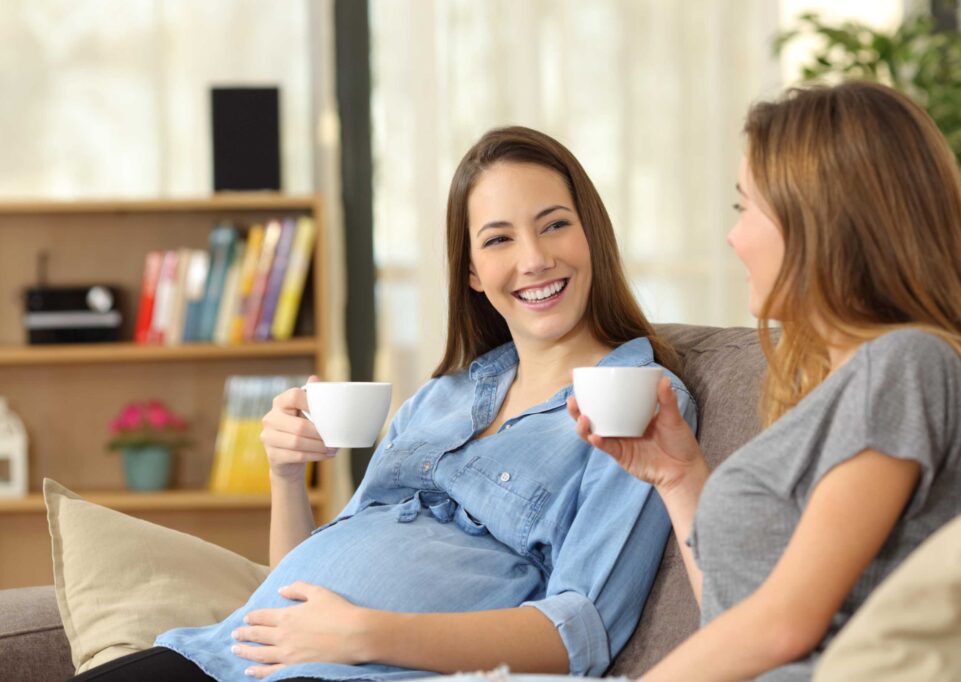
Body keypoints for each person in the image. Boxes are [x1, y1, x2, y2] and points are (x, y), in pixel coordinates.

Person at [69, 126, 696, 682]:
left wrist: (364, 634)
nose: (534, 259)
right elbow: (299, 580)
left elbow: (581, 630)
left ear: (593, 233)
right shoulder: (443, 398)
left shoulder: (637, 402)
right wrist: (288, 477)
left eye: (555, 223)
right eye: (499, 239)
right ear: (473, 272)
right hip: (228, 652)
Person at [567, 81, 961, 681]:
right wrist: (678, 476)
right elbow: (744, 617)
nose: (734, 236)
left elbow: (786, 626)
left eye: (744, 207)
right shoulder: (842, 382)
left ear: (820, 221)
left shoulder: (908, 366)